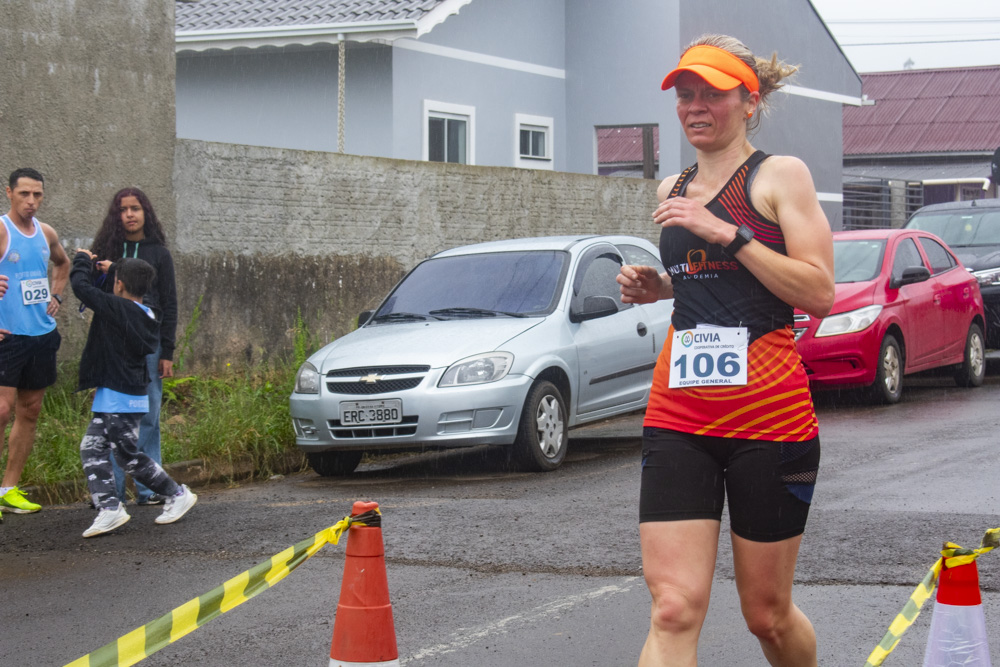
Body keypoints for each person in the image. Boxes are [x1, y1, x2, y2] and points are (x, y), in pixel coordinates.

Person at [617, 35, 834, 667]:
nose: (694, 106)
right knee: (673, 607)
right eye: (686, 95)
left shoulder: (779, 176)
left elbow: (819, 292)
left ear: (749, 100)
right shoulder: (673, 186)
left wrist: (728, 232)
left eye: (712, 92)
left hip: (769, 420)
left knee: (766, 615)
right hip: (678, 415)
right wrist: (658, 286)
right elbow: (706, 282)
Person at [70, 251, 196, 537]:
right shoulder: (145, 309)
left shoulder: (119, 309)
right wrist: (116, 268)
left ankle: (176, 494)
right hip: (116, 394)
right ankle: (109, 508)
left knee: (127, 455)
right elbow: (135, 285)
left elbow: (81, 288)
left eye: (115, 280)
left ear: (118, 285)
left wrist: (81, 260)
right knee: (91, 448)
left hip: (121, 397)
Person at [89, 188, 177, 506]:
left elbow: (169, 303)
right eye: (124, 209)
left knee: (149, 415)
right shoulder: (105, 249)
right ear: (117, 215)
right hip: (112, 343)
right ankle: (111, 491)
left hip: (148, 344)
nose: (129, 214)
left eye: (136, 208)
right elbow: (90, 290)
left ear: (145, 213)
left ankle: (149, 489)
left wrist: (167, 352)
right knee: (112, 416)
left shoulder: (159, 253)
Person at [0, 167, 71, 521]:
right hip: (6, 335)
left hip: (39, 335)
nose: (31, 201)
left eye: (37, 195)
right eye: (24, 194)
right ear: (9, 193)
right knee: (1, 410)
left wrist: (57, 295)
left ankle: (8, 490)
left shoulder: (45, 233)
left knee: (30, 411)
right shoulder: (1, 229)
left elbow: (63, 263)